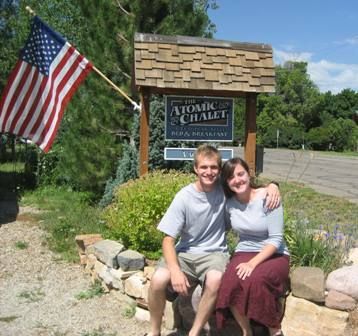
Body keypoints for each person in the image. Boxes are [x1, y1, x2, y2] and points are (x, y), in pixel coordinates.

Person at [146, 145, 281, 336]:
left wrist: (273, 185)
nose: (209, 172)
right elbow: (168, 239)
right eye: (204, 167)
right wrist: (175, 271)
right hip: (185, 253)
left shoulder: (225, 190)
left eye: (213, 168)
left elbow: (249, 186)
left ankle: (194, 332)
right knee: (159, 279)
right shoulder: (184, 197)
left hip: (215, 253)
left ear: (219, 170)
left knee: (216, 279)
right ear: (195, 168)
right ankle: (154, 332)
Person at [216, 157, 290, 336]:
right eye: (231, 177)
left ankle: (274, 330)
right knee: (229, 281)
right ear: (227, 182)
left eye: (240, 174)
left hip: (275, 253)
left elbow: (276, 239)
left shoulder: (269, 197)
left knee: (256, 280)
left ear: (248, 174)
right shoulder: (230, 204)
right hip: (244, 250)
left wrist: (252, 264)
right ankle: (246, 331)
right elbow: (221, 228)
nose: (237, 180)